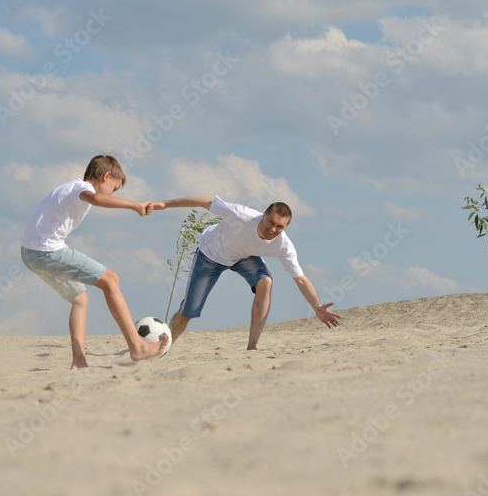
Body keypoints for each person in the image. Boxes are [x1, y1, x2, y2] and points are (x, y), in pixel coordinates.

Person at [21, 154, 169, 369]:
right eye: (114, 188)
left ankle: (79, 362)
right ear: (106, 175)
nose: (113, 193)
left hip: (30, 254)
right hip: (46, 251)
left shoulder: (70, 189)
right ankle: (137, 346)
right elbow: (97, 199)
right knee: (111, 279)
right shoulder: (79, 188)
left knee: (80, 298)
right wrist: (135, 205)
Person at [153, 196, 340, 349]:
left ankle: (252, 347)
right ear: (264, 215)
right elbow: (205, 202)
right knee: (188, 311)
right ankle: (163, 347)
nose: (273, 229)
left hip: (242, 256)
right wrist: (164, 204)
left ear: (286, 228)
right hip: (210, 254)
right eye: (271, 222)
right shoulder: (241, 216)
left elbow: (300, 279)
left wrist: (317, 308)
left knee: (266, 282)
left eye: (280, 227)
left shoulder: (283, 246)